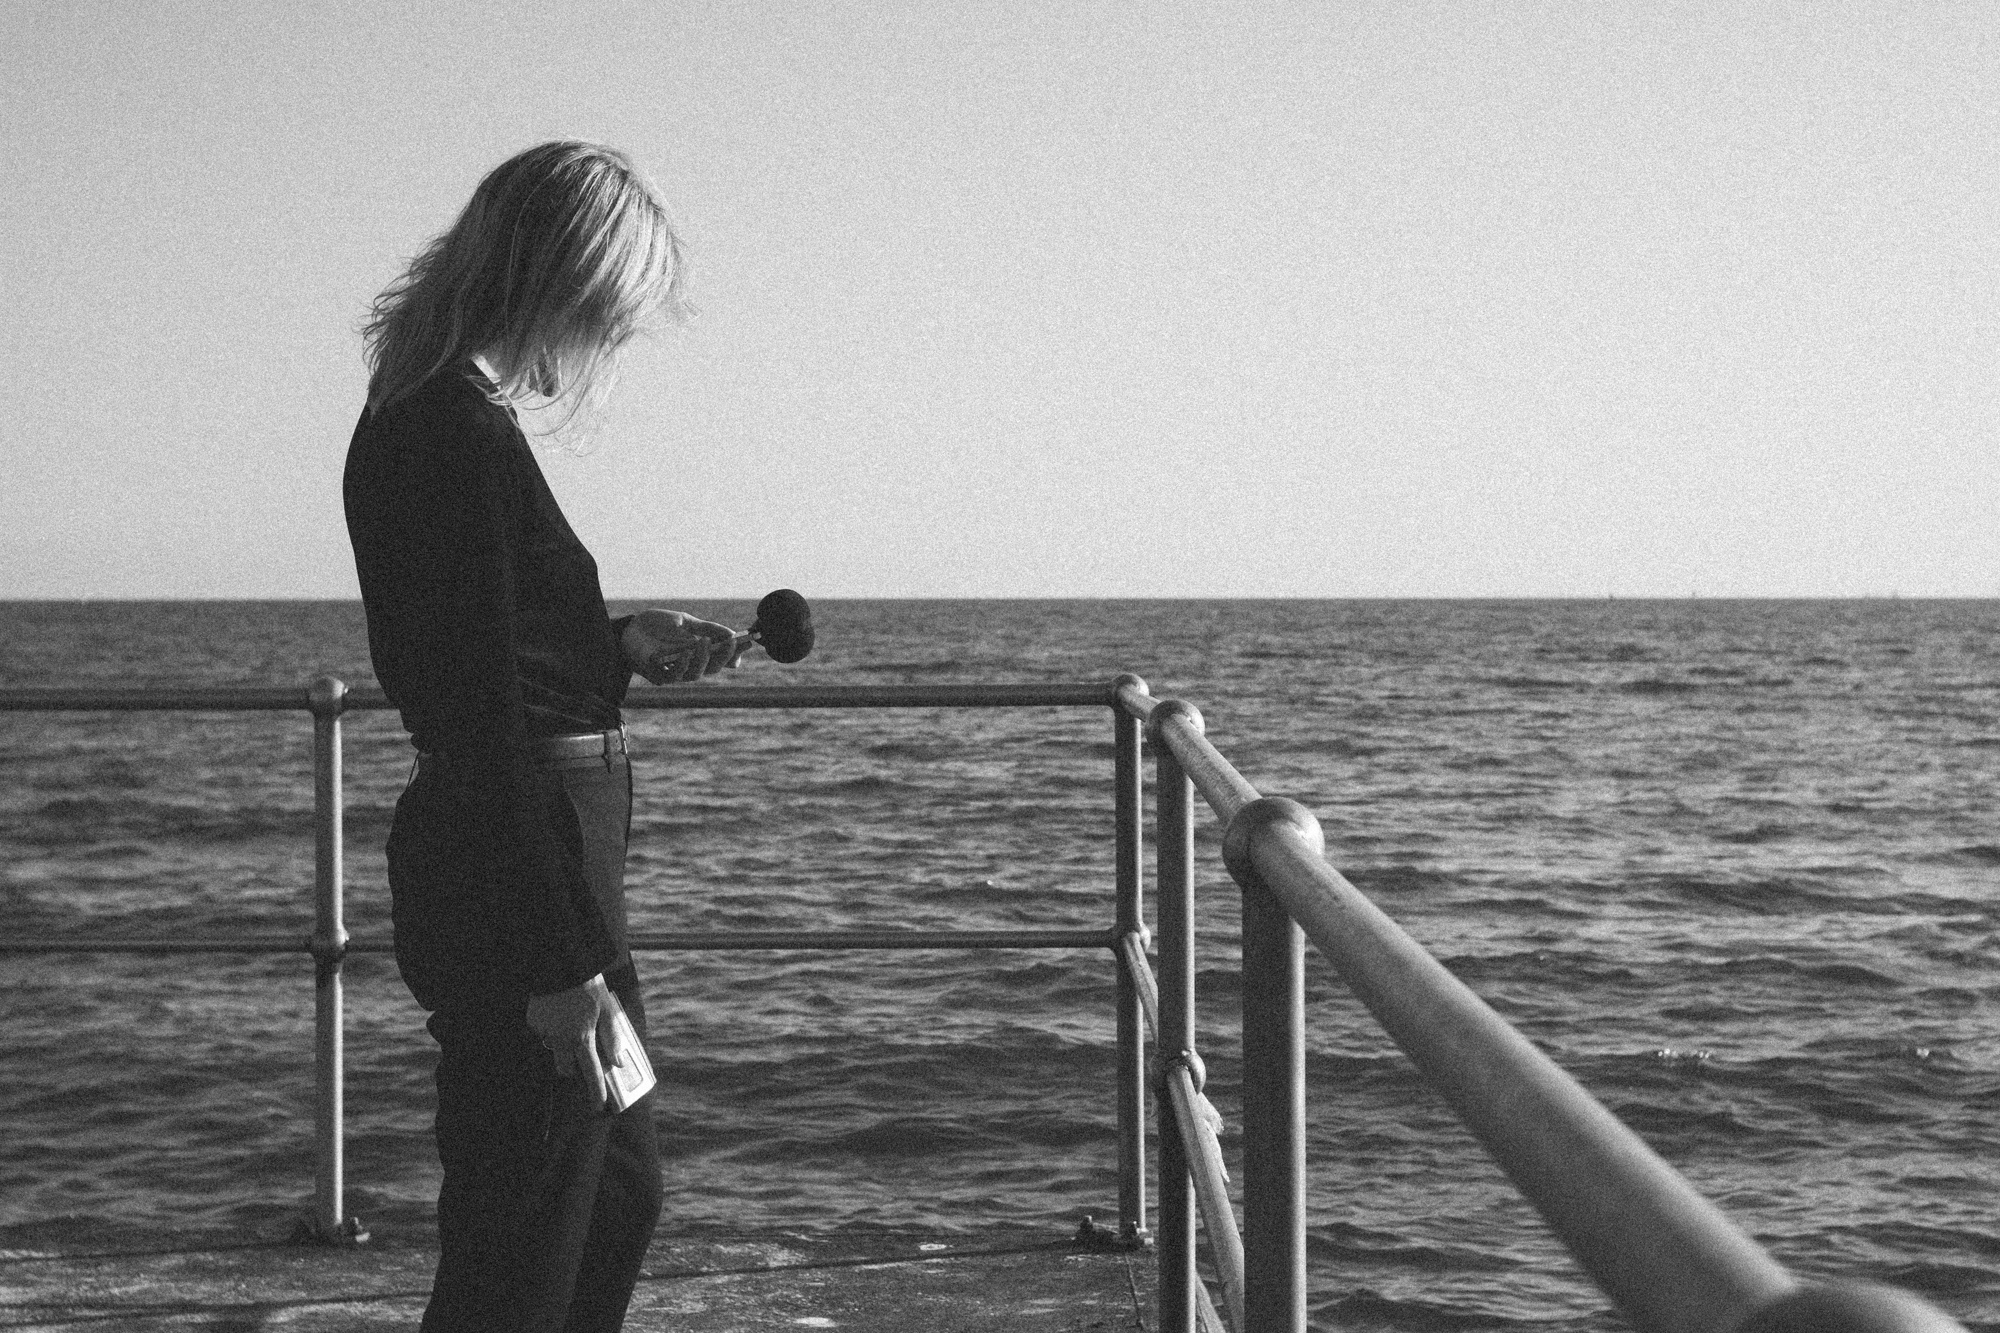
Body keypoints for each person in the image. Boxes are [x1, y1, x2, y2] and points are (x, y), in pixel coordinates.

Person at [342, 140, 734, 1333]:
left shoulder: (447, 422)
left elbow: (489, 651)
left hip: (545, 881)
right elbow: (475, 719)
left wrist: (609, 642)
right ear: (561, 280)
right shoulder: (444, 436)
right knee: (525, 1239)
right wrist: (560, 967)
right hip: (521, 891)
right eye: (611, 308)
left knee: (608, 1196)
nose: (609, 340)